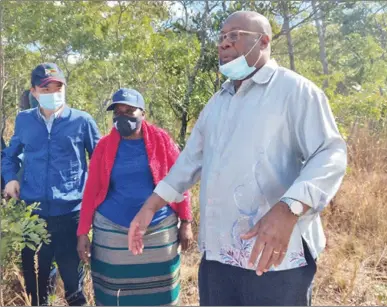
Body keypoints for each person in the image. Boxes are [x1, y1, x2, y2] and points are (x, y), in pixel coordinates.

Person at [127, 11, 348, 306]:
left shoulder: (295, 91)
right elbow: (188, 164)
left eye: (235, 36)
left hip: (275, 259)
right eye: (221, 38)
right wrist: (149, 208)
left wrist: (289, 208)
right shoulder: (218, 103)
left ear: (264, 41)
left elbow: (330, 153)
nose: (224, 44)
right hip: (219, 256)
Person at [76, 88, 193, 306]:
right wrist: (83, 232)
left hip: (158, 231)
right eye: (118, 112)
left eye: (130, 111)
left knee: (161, 292)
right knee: (114, 294)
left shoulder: (161, 140)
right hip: (112, 231)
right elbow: (91, 190)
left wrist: (186, 221)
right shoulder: (103, 146)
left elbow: (181, 179)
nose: (123, 117)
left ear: (143, 113)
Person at [2, 62, 101, 306]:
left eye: (58, 87)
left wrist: (98, 201)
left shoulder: (82, 121)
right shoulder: (24, 120)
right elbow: (9, 155)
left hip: (71, 215)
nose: (53, 94)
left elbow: (101, 161)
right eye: (46, 89)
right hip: (34, 215)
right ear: (34, 92)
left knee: (74, 288)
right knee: (37, 287)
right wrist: (10, 178)